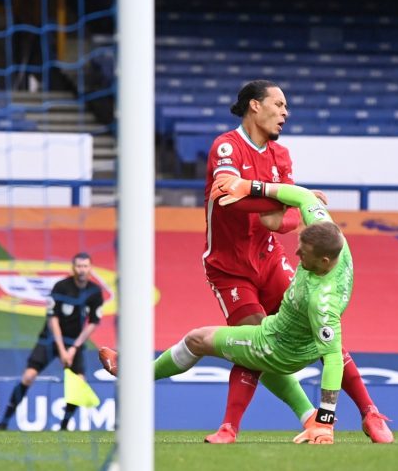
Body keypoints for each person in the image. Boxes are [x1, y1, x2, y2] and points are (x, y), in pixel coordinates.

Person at [197, 79, 392, 443]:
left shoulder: (281, 155)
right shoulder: (227, 146)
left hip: (270, 258)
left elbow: (280, 222)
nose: (286, 113)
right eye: (279, 104)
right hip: (228, 266)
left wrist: (283, 206)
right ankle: (231, 427)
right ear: (255, 105)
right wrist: (287, 199)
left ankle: (370, 412)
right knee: (254, 339)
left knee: (317, 326)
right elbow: (227, 195)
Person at [102, 179, 358, 444]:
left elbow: (333, 359)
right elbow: (304, 197)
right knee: (233, 340)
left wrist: (326, 422)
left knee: (196, 340)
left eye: (304, 254)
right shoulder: (331, 238)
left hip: (278, 346)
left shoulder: (322, 302)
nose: (296, 253)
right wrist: (250, 187)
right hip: (289, 333)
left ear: (323, 261)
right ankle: (309, 415)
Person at [0, 252, 104, 431]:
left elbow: (93, 322)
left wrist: (73, 348)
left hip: (74, 343)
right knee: (28, 376)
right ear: (73, 268)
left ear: (90, 268)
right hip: (51, 339)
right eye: (79, 266)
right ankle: (4, 422)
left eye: (85, 266)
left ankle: (64, 426)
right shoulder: (61, 287)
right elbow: (53, 319)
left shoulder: (94, 292)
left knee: (79, 382)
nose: (82, 270)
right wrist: (62, 350)